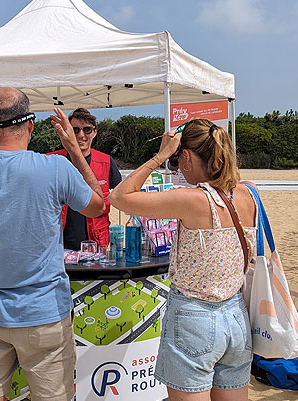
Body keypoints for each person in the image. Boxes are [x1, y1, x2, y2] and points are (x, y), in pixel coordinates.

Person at [0, 87, 105, 401]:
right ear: (30, 125)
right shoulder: (54, 168)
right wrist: (73, 149)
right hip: (42, 310)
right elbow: (97, 204)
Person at [108, 118, 257, 401]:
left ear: (186, 156)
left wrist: (161, 155)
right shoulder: (247, 194)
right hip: (236, 314)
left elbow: (119, 196)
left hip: (194, 317)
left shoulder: (192, 199)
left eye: (178, 160)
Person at [47, 108, 121, 251]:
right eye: (75, 130)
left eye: (87, 130)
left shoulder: (106, 161)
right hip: (58, 245)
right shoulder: (52, 160)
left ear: (94, 132)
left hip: (96, 243)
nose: (81, 135)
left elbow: (122, 195)